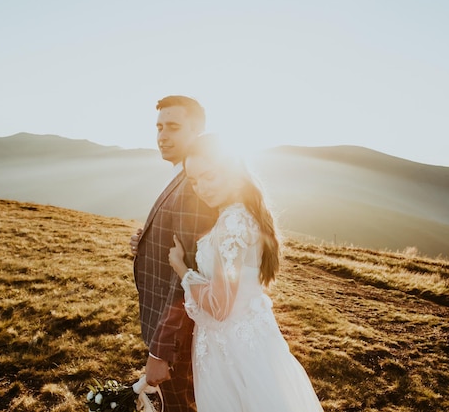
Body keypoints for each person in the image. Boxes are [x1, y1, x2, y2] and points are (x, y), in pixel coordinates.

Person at [168, 134, 324, 411]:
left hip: (232, 348)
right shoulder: (240, 215)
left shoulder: (233, 222)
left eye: (208, 176)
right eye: (193, 181)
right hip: (247, 341)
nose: (200, 188)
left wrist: (182, 269)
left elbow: (218, 306)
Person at [130, 96, 217, 412]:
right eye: (159, 127)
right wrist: (146, 241)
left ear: (197, 131)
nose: (162, 136)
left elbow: (188, 278)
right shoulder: (183, 174)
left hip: (179, 341)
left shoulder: (196, 188)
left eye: (173, 128)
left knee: (181, 407)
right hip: (170, 335)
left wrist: (160, 351)